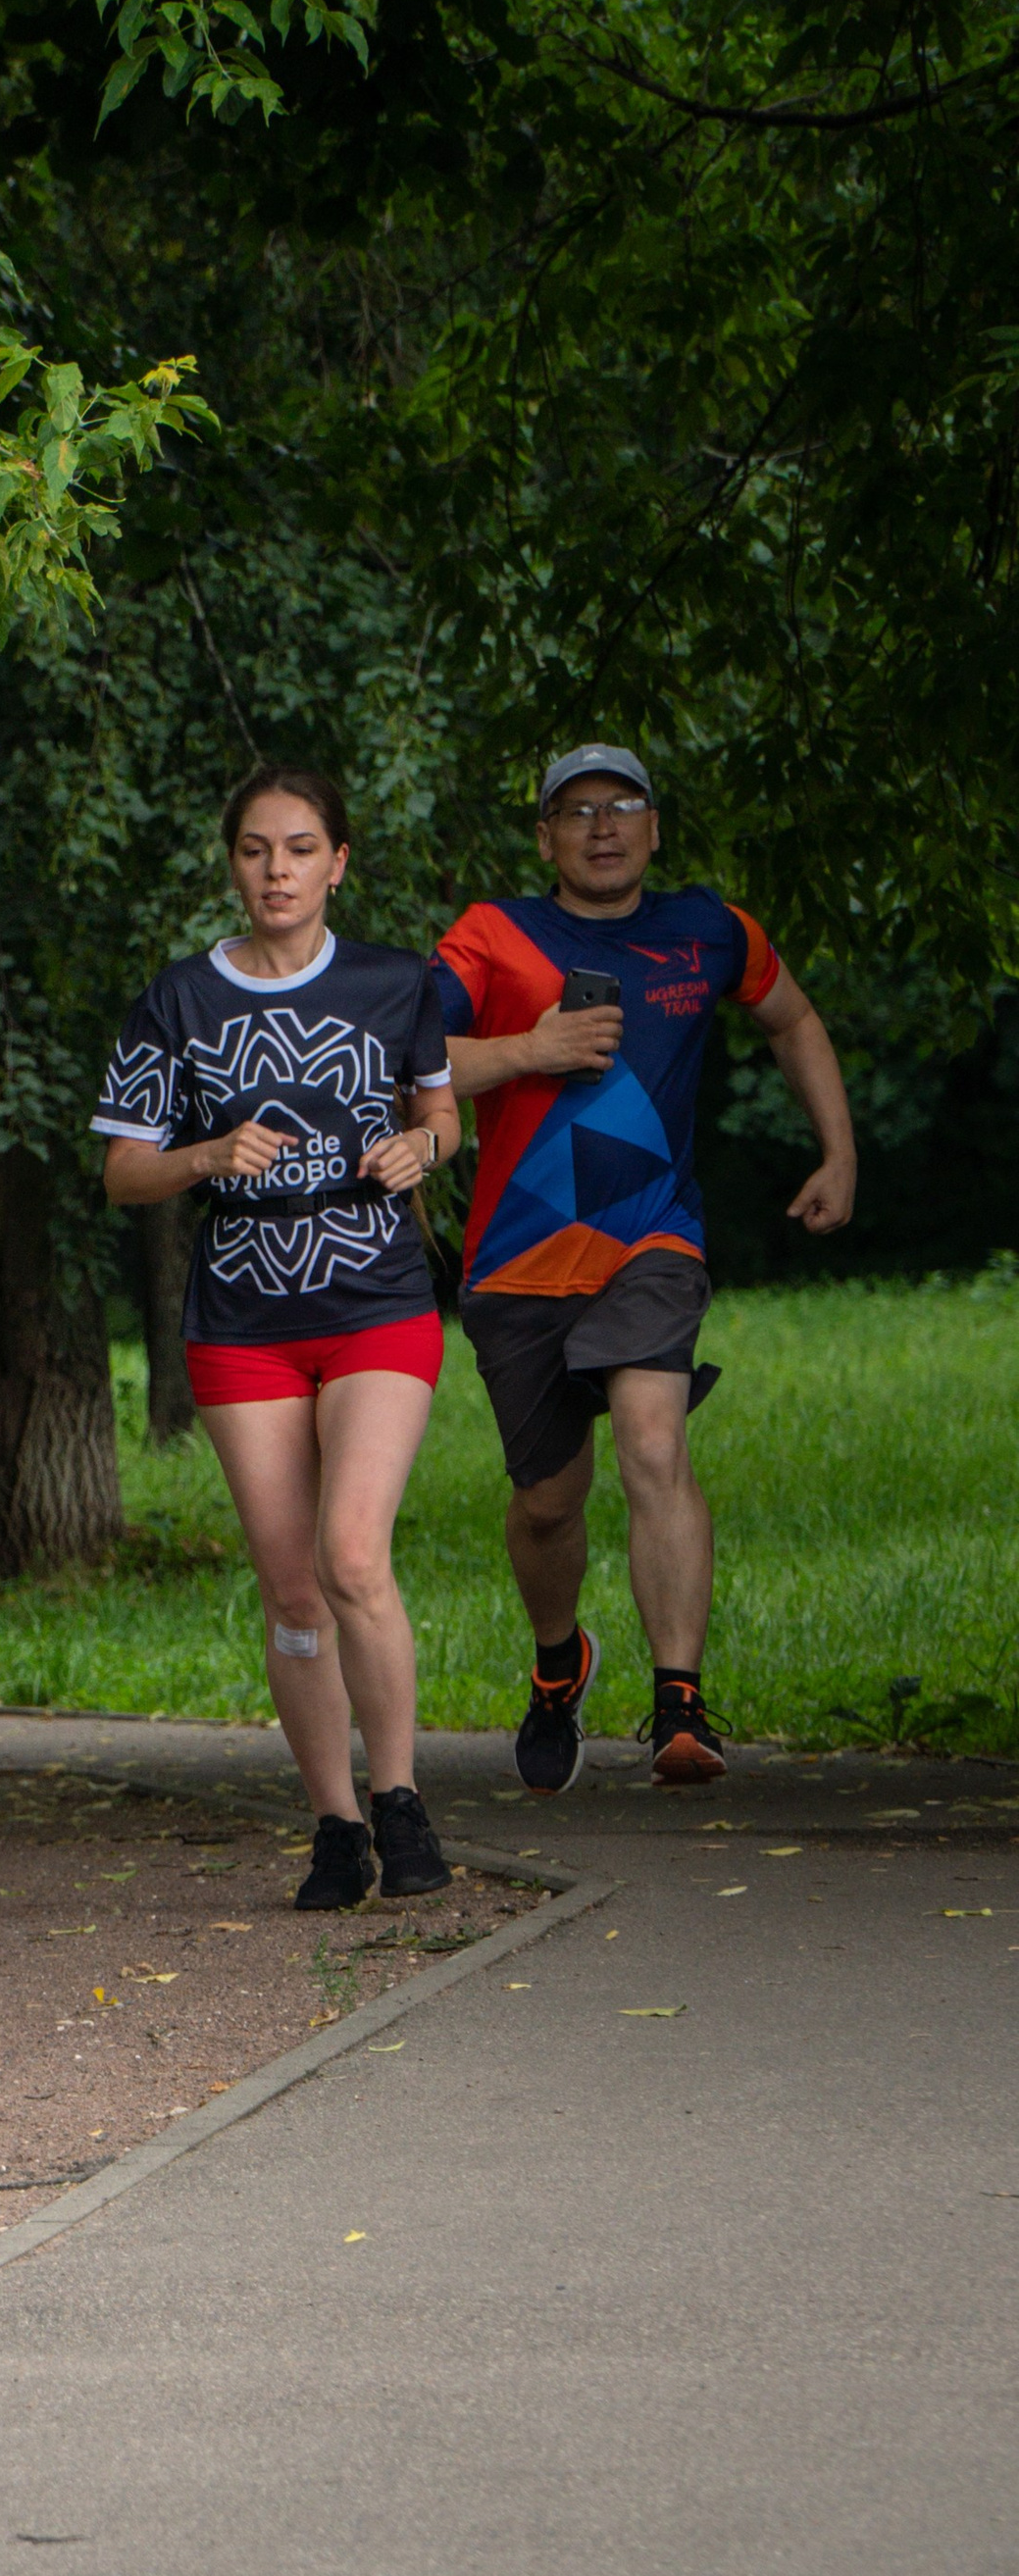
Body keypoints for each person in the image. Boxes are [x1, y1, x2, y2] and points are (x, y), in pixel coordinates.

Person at [433, 745, 856, 1793]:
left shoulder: (708, 930)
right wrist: (525, 1050)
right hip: (517, 1259)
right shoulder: (492, 934)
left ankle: (679, 1702)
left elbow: (792, 1017)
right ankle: (556, 1666)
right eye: (576, 811)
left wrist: (838, 1150)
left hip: (651, 1238)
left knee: (652, 1443)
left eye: (623, 806)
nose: (602, 825)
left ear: (654, 827)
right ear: (545, 837)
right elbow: (407, 1058)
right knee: (546, 1503)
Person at [95, 764, 463, 1910]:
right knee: (294, 1588)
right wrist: (204, 1155)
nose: (277, 872)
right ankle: (333, 1825)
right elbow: (121, 1172)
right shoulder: (178, 999)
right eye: (256, 850)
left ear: (337, 862)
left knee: (354, 1556)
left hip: (375, 1304)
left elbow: (437, 1109)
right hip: (242, 1321)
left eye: (300, 849)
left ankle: (400, 1801)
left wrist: (425, 1151)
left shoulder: (398, 983)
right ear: (233, 863)